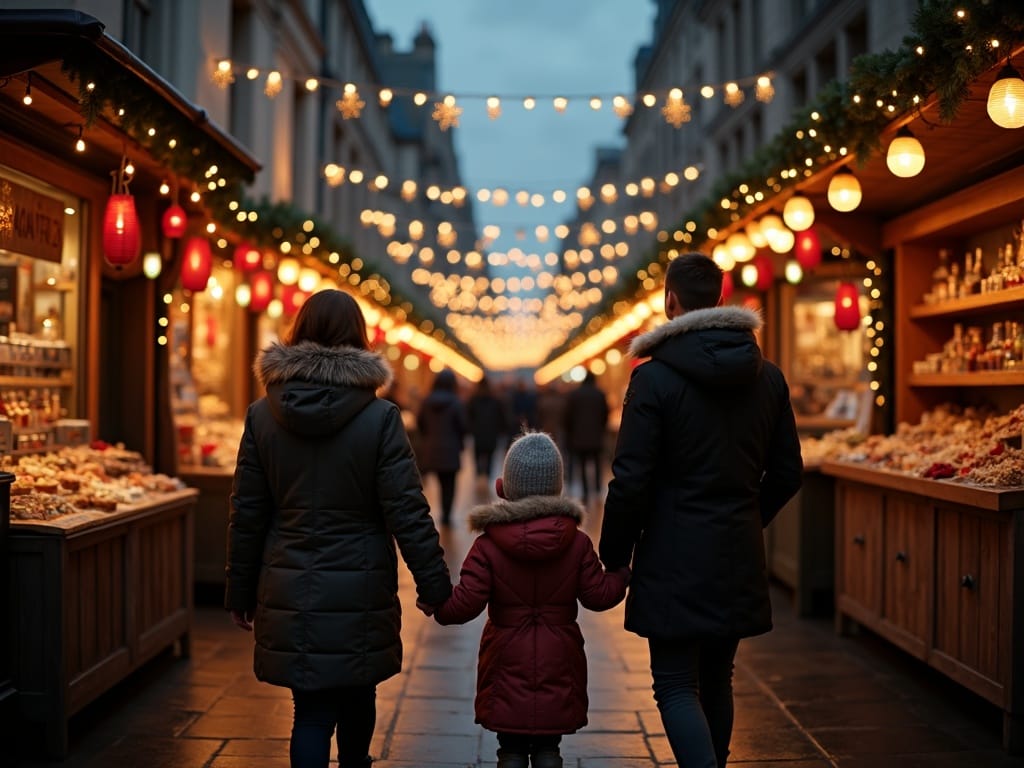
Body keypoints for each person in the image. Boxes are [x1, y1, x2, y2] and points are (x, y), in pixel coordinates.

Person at [225, 289, 452, 768]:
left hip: (288, 578)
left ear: (298, 331)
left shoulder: (263, 416)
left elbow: (248, 512)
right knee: (357, 696)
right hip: (360, 581)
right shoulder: (379, 417)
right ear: (358, 337)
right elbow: (406, 509)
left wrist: (240, 591)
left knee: (308, 713)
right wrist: (434, 586)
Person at [599, 252, 802, 768]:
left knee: (673, 682)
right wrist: (749, 517)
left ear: (671, 301)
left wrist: (615, 553)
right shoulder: (769, 376)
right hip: (737, 546)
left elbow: (631, 481)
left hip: (672, 551)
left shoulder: (653, 379)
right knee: (718, 675)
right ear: (719, 298)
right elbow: (787, 472)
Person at [424, 431, 630, 768]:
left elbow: (465, 604)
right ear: (558, 487)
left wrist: (437, 605)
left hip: (506, 655)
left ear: (504, 487)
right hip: (560, 654)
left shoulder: (488, 546)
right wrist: (621, 575)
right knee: (550, 746)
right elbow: (598, 596)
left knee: (511, 748)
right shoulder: (576, 543)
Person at [416, 368, 468, 525]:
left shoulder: (426, 402)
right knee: (449, 484)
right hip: (451, 449)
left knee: (439, 481)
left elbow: (420, 423)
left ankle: (439, 511)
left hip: (432, 448)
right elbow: (463, 426)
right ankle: (446, 514)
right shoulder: (456, 402)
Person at [563, 371, 609, 503]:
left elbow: (568, 417)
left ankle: (586, 491)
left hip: (579, 437)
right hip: (596, 436)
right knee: (597, 463)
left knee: (582, 465)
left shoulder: (574, 395)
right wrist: (601, 428)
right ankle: (598, 489)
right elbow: (605, 413)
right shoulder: (600, 394)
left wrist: (570, 433)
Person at [466, 375, 507, 484]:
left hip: (478, 434)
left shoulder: (473, 400)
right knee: (490, 458)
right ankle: (487, 478)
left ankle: (479, 476)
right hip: (491, 434)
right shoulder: (495, 400)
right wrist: (501, 431)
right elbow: (501, 417)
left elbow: (468, 417)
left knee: (477, 456)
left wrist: (471, 430)